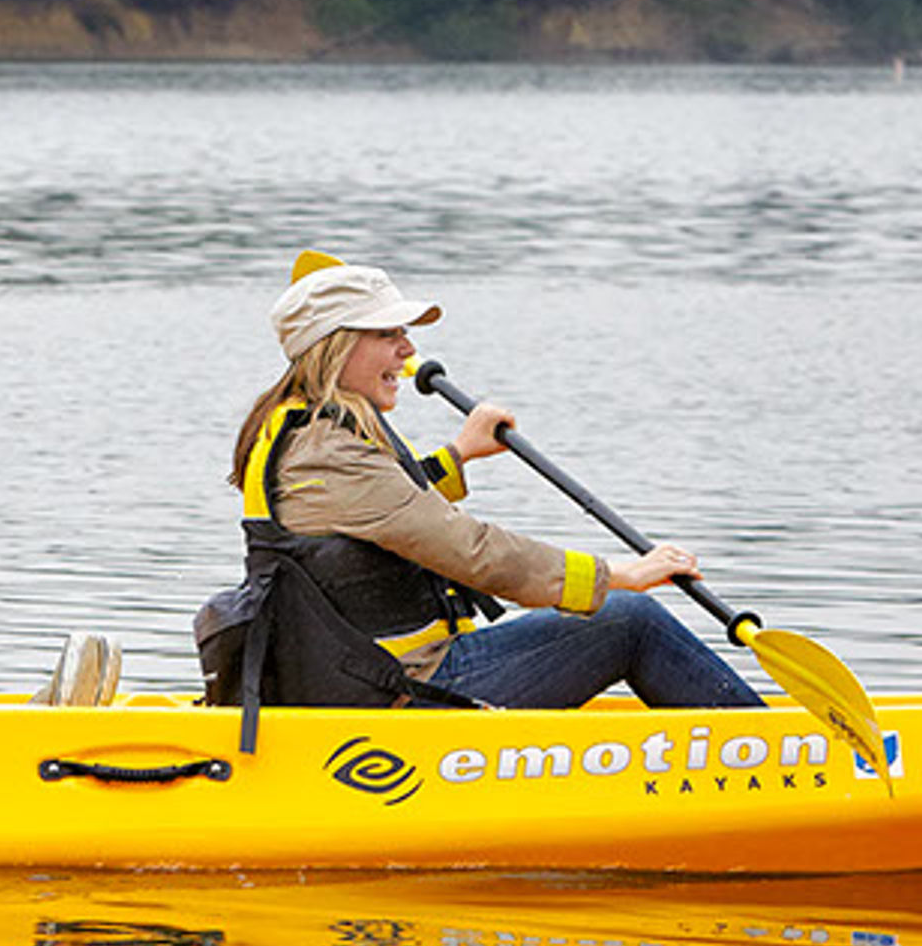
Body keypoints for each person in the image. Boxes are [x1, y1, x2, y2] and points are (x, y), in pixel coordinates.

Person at [212, 261, 758, 715]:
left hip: (372, 681)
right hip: (397, 692)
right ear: (335, 347)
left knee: (621, 618)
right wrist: (620, 576)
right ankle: (783, 759)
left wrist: (459, 454)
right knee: (630, 622)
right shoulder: (326, 448)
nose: (407, 350)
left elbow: (382, 511)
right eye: (389, 334)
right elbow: (469, 550)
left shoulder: (311, 427)